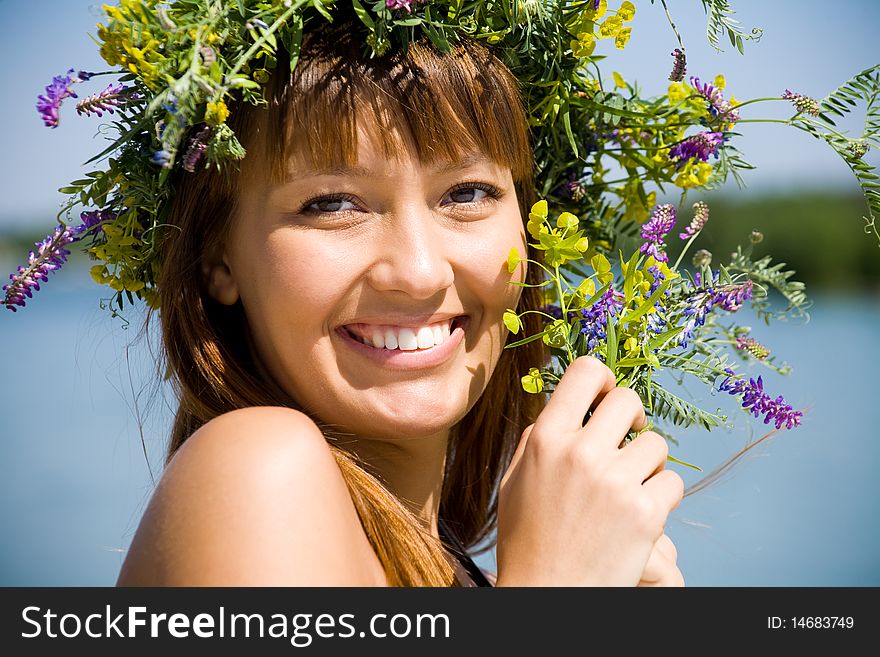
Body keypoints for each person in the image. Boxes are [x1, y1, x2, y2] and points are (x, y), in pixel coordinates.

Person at [113, 12, 684, 587]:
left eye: (467, 193)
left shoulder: (460, 566)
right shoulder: (257, 469)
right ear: (218, 259)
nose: (418, 272)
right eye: (334, 204)